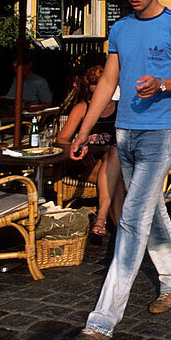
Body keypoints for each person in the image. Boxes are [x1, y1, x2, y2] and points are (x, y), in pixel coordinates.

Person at [70, 0, 171, 340]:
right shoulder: (120, 27)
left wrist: (162, 85)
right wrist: (84, 129)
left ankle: (102, 322)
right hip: (125, 133)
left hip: (160, 133)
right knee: (150, 210)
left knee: (130, 219)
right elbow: (108, 80)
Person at [56, 64, 125, 238]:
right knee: (115, 176)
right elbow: (61, 139)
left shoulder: (121, 108)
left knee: (114, 159)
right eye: (93, 83)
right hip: (88, 165)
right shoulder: (82, 108)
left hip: (113, 163)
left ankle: (101, 219)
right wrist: (78, 148)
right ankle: (121, 232)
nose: (97, 88)